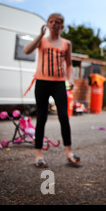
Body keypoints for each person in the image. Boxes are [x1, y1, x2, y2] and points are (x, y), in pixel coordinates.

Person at [24, 13, 81, 168]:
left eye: (58, 22)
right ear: (47, 24)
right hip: (42, 82)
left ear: (62, 26)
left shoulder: (66, 44)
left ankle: (69, 152)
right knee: (41, 117)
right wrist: (39, 35)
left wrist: (71, 79)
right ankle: (38, 155)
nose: (54, 24)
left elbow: (69, 64)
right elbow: (26, 51)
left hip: (58, 84)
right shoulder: (41, 41)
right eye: (51, 21)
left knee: (64, 116)